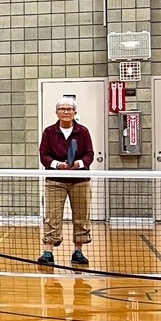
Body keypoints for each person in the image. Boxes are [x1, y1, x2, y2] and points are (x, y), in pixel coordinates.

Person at [38, 96, 94, 266]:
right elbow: (44, 155)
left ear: (75, 112)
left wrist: (79, 163)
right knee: (52, 216)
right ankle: (48, 252)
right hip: (55, 180)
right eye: (62, 109)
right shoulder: (49, 132)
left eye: (69, 109)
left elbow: (89, 154)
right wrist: (57, 165)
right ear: (57, 113)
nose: (66, 111)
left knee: (81, 216)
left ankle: (78, 251)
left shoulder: (83, 131)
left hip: (79, 180)